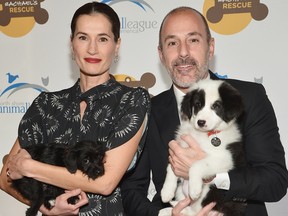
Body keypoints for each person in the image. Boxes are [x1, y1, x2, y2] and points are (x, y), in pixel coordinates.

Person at [120, 6, 288, 216]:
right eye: (172, 43)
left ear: (210, 47)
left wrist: (212, 175)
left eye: (193, 40)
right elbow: (130, 191)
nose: (183, 52)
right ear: (161, 55)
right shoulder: (147, 110)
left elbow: (275, 181)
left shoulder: (247, 97)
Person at [0, 2, 150, 215]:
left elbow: (104, 182)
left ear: (117, 45)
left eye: (103, 39)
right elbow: (6, 178)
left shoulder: (132, 100)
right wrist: (47, 208)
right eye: (83, 37)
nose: (92, 49)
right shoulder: (45, 105)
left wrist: (30, 168)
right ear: (72, 44)